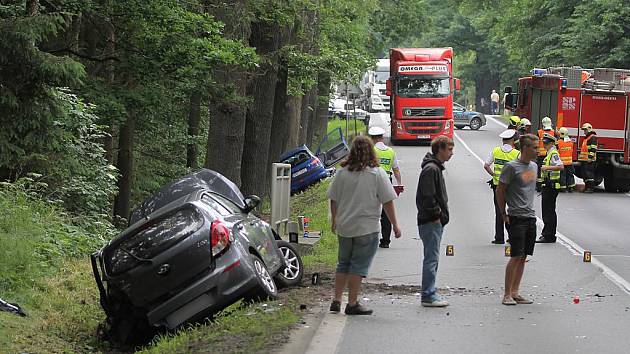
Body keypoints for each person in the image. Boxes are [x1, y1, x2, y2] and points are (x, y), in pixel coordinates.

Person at [327, 135, 402, 315]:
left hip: (345, 227)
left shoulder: (342, 172)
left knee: (343, 263)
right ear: (371, 151)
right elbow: (388, 202)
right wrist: (395, 226)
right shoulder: (377, 174)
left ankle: (336, 300)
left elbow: (334, 199)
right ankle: (352, 303)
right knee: (358, 267)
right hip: (367, 228)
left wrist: (335, 219)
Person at [496, 134, 539, 306]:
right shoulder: (511, 167)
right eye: (535, 148)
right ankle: (506, 294)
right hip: (516, 216)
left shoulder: (534, 166)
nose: (538, 150)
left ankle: (515, 292)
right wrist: (503, 213)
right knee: (515, 255)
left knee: (523, 256)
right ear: (525, 148)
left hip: (530, 216)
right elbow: (500, 190)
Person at [416, 135, 454, 307]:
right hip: (431, 221)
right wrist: (436, 216)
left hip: (433, 220)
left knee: (432, 257)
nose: (451, 153)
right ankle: (428, 295)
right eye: (449, 149)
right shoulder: (431, 169)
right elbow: (427, 196)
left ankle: (430, 292)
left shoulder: (434, 168)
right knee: (431, 258)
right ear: (440, 149)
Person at [368, 126, 403, 248]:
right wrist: (399, 184)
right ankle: (386, 240)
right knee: (386, 211)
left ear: (372, 138)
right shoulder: (390, 151)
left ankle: (371, 239)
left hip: (372, 181)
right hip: (387, 180)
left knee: (371, 210)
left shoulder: (370, 151)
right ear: (382, 137)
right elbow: (396, 170)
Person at [484, 129, 520, 244]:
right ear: (513, 141)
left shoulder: (495, 151)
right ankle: (512, 236)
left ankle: (499, 237)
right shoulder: (516, 154)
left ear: (503, 140)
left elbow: (486, 165)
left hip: (497, 186)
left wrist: (494, 175)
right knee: (512, 212)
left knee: (499, 211)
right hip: (511, 188)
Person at [537, 133, 564, 243]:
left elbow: (561, 166)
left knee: (548, 212)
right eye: (544, 143)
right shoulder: (550, 153)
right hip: (548, 186)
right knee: (548, 211)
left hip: (551, 186)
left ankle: (548, 235)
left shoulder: (553, 153)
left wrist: (546, 167)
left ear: (552, 143)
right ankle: (548, 234)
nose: (544, 145)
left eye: (546, 143)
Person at [536, 117, 556, 190]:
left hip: (541, 155)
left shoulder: (539, 132)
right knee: (549, 170)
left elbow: (537, 143)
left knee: (540, 170)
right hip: (550, 155)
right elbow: (556, 145)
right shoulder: (554, 132)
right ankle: (548, 184)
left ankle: (539, 186)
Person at [579, 123, 598, 193]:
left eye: (585, 130)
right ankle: (587, 187)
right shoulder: (588, 137)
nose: (584, 132)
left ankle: (590, 188)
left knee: (589, 174)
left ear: (589, 129)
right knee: (585, 174)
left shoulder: (592, 137)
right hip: (586, 159)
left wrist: (590, 157)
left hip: (590, 160)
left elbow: (593, 148)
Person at [557, 127, 576, 192]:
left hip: (562, 163)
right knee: (570, 175)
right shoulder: (570, 143)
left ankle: (563, 188)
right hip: (569, 163)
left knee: (562, 176)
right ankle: (571, 187)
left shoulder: (558, 143)